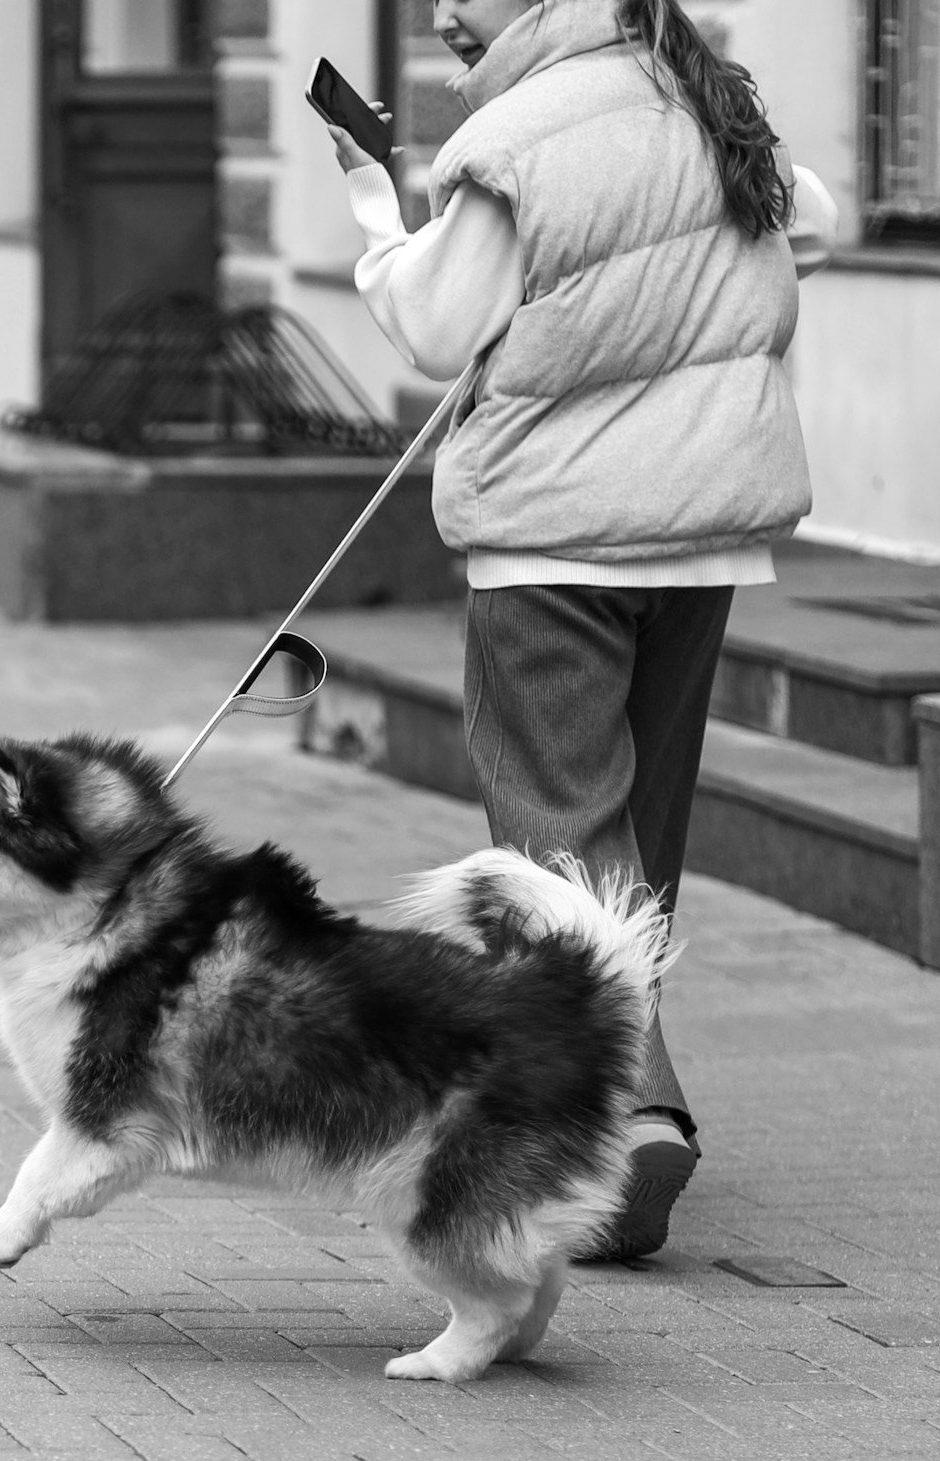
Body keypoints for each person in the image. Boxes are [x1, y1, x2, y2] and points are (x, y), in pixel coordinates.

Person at [332, 0, 838, 1258]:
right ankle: (614, 1086)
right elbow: (814, 218)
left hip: (553, 545)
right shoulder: (706, 99)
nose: (446, 9)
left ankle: (631, 1114)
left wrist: (368, 204)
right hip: (706, 535)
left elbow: (436, 324)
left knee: (557, 841)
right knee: (633, 847)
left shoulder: (518, 140)